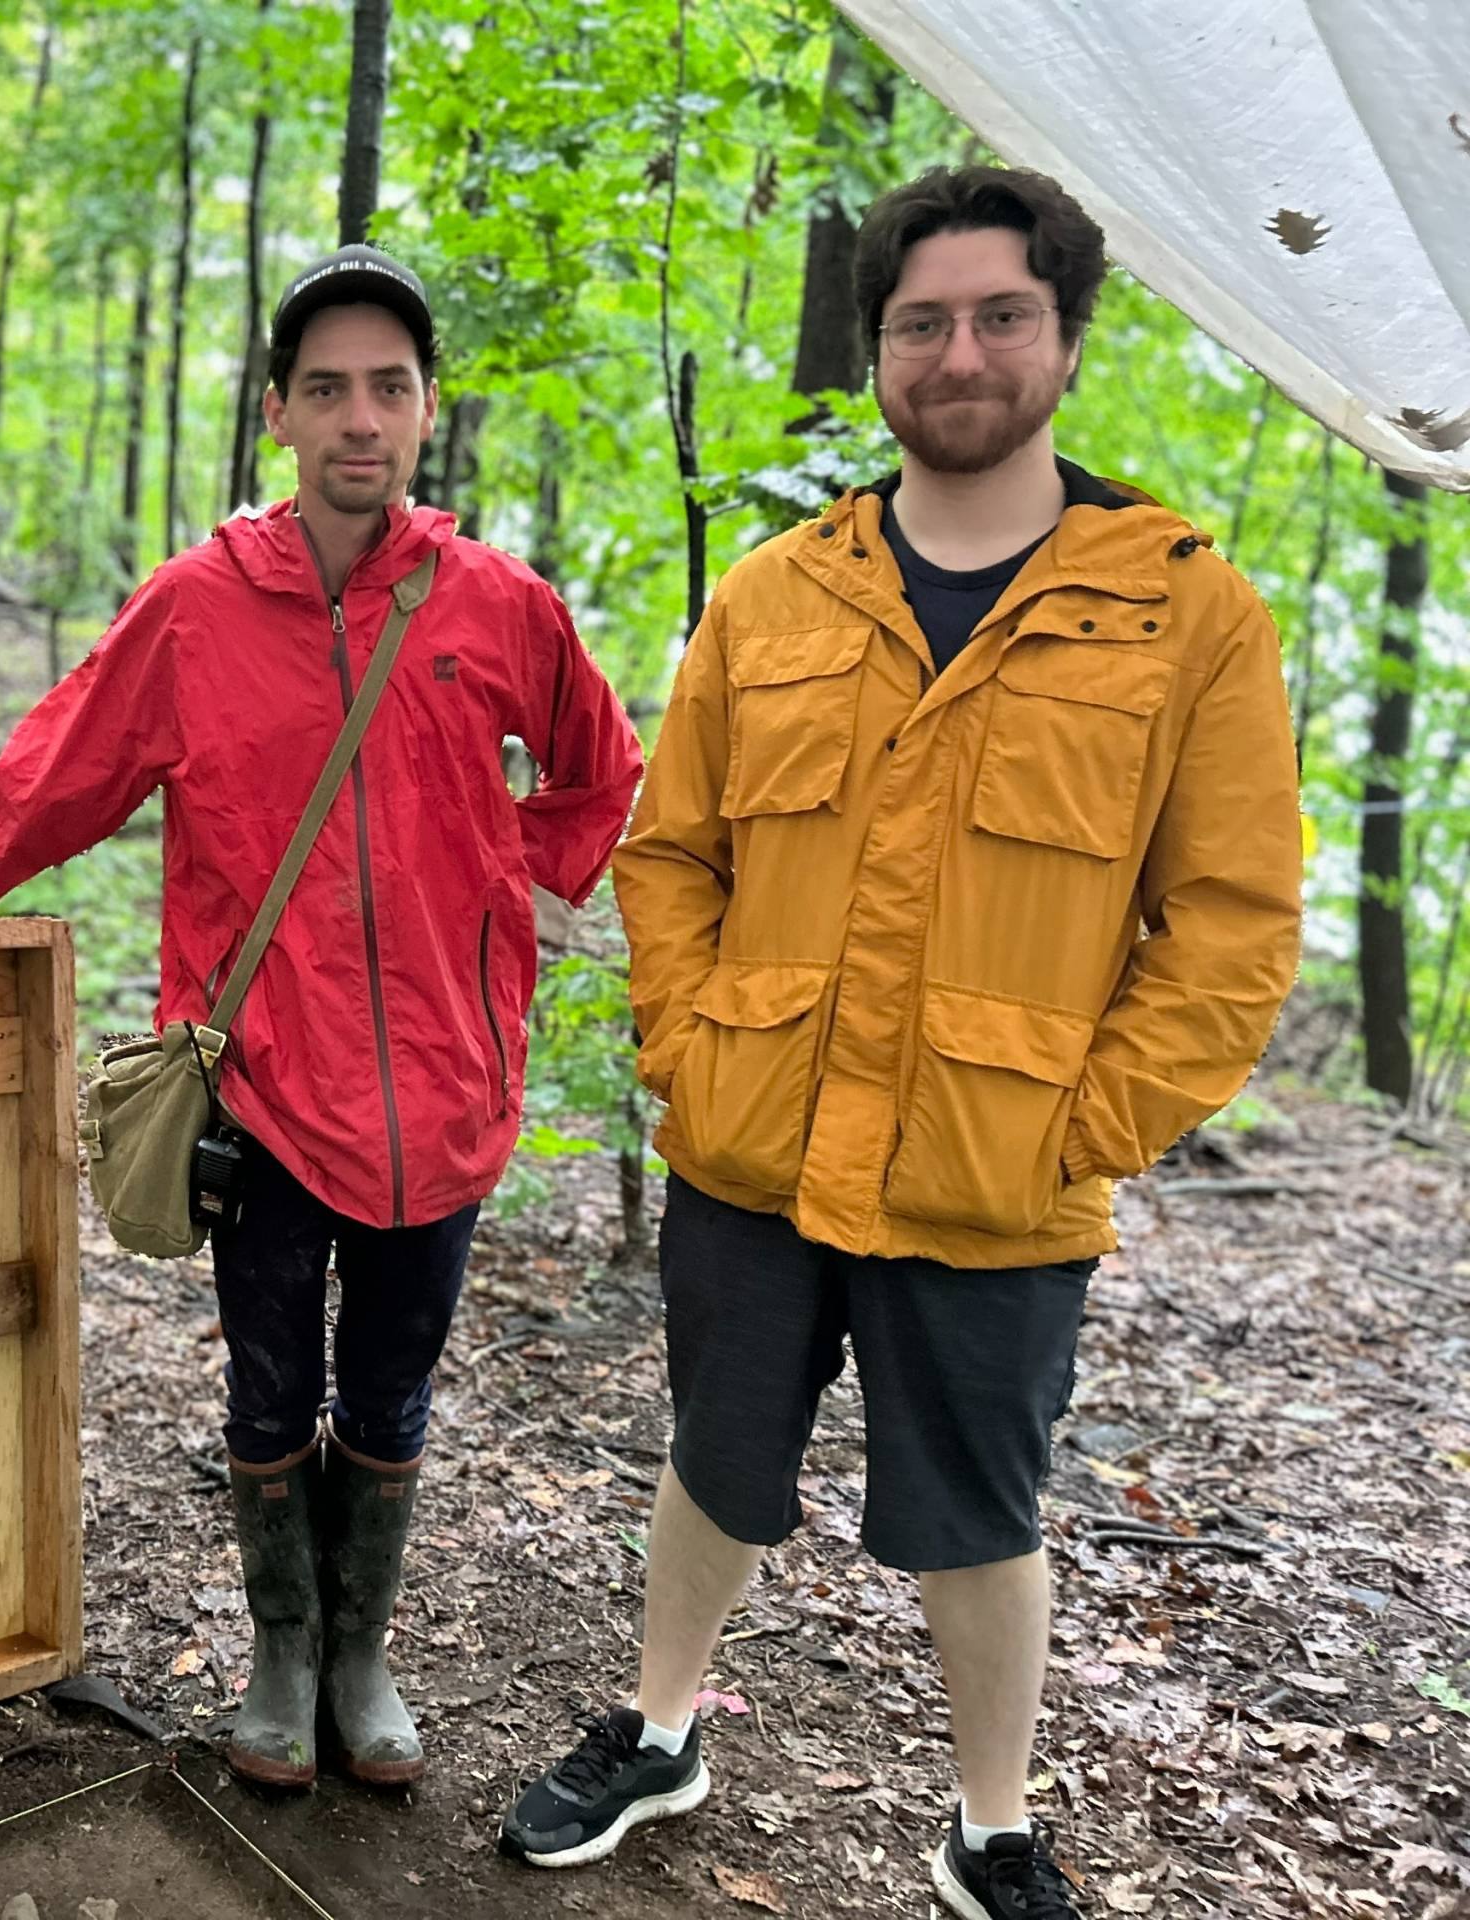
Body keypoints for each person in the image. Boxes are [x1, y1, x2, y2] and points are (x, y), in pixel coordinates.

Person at [498, 166, 1301, 1920]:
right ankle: (659, 1730)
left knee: (980, 1515)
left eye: (1001, 315)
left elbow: (1231, 928)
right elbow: (670, 851)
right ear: (877, 353)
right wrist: (690, 1054)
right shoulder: (781, 596)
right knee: (713, 1460)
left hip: (997, 1174)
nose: (961, 352)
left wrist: (1081, 1126)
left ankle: (992, 1826)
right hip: (754, 1145)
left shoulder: (1186, 615)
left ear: (1068, 340)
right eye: (923, 322)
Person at [0, 246, 643, 1792]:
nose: (359, 418)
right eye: (326, 390)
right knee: (270, 1382)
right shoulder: (197, 610)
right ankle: (283, 1653)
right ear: (280, 416)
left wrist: (514, 892)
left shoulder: (498, 606)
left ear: (427, 410)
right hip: (266, 1088)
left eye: (389, 386)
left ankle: (362, 1654)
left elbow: (600, 772)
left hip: (447, 1089)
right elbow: (48, 779)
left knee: (395, 1386)